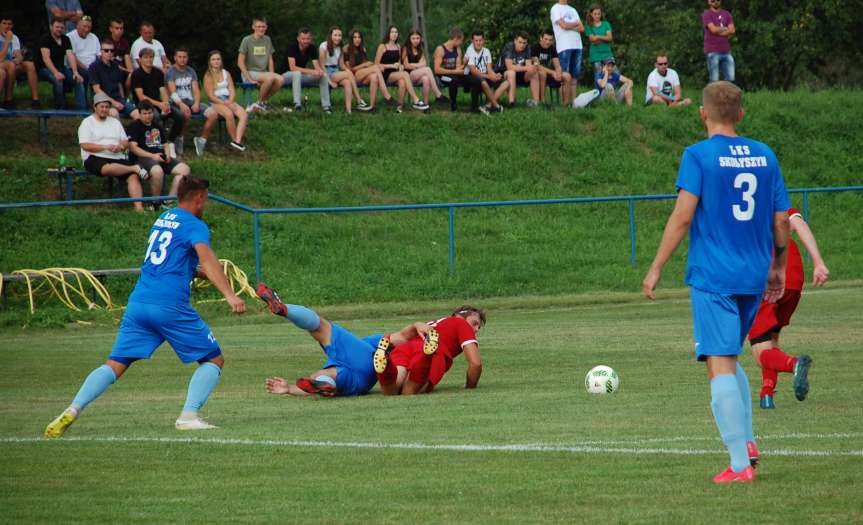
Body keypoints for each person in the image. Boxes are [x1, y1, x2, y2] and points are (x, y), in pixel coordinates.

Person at [642, 81, 792, 484]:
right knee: (729, 355)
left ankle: (740, 466)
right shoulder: (765, 155)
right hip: (753, 274)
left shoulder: (698, 155)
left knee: (720, 361)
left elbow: (683, 215)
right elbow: (781, 219)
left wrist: (656, 266)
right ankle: (746, 442)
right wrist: (779, 266)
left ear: (702, 113)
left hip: (714, 275)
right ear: (740, 114)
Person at [45, 176, 247, 438]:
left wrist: (195, 273)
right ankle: (188, 416)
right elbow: (207, 258)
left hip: (139, 302)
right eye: (205, 198)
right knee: (213, 359)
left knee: (115, 363)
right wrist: (230, 295)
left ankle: (73, 407)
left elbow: (166, 261)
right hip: (169, 305)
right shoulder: (195, 225)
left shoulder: (163, 219)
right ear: (199, 198)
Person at [256, 283, 433, 397]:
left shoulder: (367, 344)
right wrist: (289, 389)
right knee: (319, 377)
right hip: (357, 383)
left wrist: (417, 324)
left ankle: (283, 308)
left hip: (360, 378)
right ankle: (327, 385)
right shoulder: (369, 345)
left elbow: (403, 336)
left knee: (321, 327)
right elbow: (402, 337)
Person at [748, 208, 827, 409]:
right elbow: (800, 226)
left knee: (760, 350)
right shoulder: (779, 202)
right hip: (793, 275)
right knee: (771, 339)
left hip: (766, 275)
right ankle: (766, 395)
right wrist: (817, 262)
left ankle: (794, 364)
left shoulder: (744, 209)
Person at [373, 306, 485, 395]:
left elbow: (397, 339)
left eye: (478, 327)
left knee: (392, 389)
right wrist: (470, 386)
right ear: (458, 316)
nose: (476, 329)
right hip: (435, 352)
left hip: (406, 347)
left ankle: (387, 365)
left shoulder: (431, 324)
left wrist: (386, 340)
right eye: (474, 323)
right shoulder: (461, 323)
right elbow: (475, 363)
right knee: (409, 391)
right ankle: (426, 356)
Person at [77, 92, 148, 212]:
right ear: (95, 107)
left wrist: (120, 147)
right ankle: (134, 168)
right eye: (101, 107)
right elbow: (85, 145)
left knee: (133, 177)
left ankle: (139, 209)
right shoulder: (87, 123)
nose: (104, 109)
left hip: (116, 156)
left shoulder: (115, 122)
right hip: (94, 157)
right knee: (106, 168)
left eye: (106, 107)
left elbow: (126, 142)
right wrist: (105, 147)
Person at [127, 100, 191, 200]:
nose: (148, 116)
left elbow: (165, 144)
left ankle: (170, 200)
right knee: (157, 171)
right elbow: (133, 148)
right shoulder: (134, 126)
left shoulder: (157, 125)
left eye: (150, 113)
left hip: (161, 156)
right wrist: (152, 156)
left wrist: (168, 154)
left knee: (184, 170)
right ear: (139, 113)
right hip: (143, 158)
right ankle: (155, 202)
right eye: (145, 113)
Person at [167, 47, 217, 157]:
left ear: (187, 58)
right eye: (179, 57)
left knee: (213, 114)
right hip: (176, 102)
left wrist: (197, 103)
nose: (182, 59)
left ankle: (201, 140)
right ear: (175, 58)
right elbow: (172, 92)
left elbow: (196, 90)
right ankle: (179, 139)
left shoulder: (191, 71)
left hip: (190, 101)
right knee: (186, 113)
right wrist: (181, 104)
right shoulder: (171, 72)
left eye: (184, 57)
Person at [132, 48, 186, 147]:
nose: (149, 59)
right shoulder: (136, 74)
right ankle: (158, 144)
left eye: (151, 57)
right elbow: (141, 96)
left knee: (180, 116)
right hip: (144, 105)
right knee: (155, 117)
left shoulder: (158, 72)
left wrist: (166, 103)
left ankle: (171, 141)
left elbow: (162, 90)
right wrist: (159, 104)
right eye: (146, 57)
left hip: (159, 103)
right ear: (140, 59)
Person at [374, 25, 429, 113]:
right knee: (405, 74)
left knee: (402, 82)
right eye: (392, 32)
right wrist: (391, 66)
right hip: (384, 75)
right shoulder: (382, 46)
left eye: (396, 32)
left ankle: (399, 108)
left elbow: (399, 62)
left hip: (395, 74)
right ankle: (416, 100)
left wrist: (400, 65)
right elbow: (376, 64)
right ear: (388, 34)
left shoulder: (398, 46)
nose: (394, 34)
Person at [202, 50, 247, 152]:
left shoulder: (226, 73)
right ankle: (234, 140)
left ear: (221, 61)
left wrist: (230, 101)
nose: (216, 61)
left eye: (218, 59)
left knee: (243, 114)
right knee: (229, 114)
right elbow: (210, 96)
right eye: (213, 59)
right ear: (210, 62)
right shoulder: (208, 76)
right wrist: (225, 104)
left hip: (228, 99)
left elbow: (231, 88)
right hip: (216, 101)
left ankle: (237, 141)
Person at [319, 26, 371, 113]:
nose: (337, 37)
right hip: (327, 72)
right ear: (330, 36)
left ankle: (349, 111)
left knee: (347, 82)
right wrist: (329, 81)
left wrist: (347, 70)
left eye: (339, 35)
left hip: (336, 71)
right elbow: (322, 66)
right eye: (335, 35)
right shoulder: (323, 46)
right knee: (349, 74)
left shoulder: (340, 48)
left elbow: (341, 64)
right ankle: (359, 100)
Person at [237, 17, 284, 113]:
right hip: (249, 72)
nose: (261, 29)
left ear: (266, 27)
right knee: (270, 78)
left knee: (280, 79)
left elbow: (270, 59)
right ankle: (260, 103)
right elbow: (240, 62)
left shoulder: (267, 39)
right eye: (258, 26)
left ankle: (261, 102)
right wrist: (249, 78)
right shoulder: (247, 40)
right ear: (253, 27)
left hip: (263, 73)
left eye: (263, 26)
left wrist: (272, 74)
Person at [38, 18, 86, 109]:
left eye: (61, 27)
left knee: (78, 80)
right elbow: (46, 58)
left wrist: (75, 72)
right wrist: (55, 72)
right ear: (51, 27)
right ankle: (61, 108)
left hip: (61, 68)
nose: (59, 29)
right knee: (58, 80)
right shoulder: (45, 39)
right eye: (57, 27)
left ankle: (82, 109)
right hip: (45, 68)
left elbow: (70, 55)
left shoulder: (66, 39)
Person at [283, 28, 331, 113]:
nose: (306, 41)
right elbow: (293, 68)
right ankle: (297, 105)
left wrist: (320, 72)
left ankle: (326, 106)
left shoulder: (312, 48)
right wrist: (311, 71)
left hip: (300, 76)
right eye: (303, 39)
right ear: (298, 39)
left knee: (322, 76)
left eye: (308, 39)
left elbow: (316, 66)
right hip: (285, 76)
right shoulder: (292, 47)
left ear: (311, 39)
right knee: (296, 73)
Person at [345, 29, 393, 109]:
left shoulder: (362, 49)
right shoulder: (347, 49)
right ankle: (386, 95)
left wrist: (372, 65)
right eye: (355, 37)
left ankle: (371, 106)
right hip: (353, 76)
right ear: (351, 39)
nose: (357, 39)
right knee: (376, 69)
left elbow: (367, 66)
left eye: (359, 37)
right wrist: (365, 65)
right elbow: (349, 69)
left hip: (363, 75)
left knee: (374, 76)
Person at [89, 38, 137, 118]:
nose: (109, 53)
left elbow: (119, 84)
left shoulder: (116, 66)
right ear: (101, 51)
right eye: (106, 50)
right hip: (101, 101)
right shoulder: (94, 67)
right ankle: (119, 130)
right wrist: (114, 102)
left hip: (118, 99)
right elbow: (97, 90)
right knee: (114, 114)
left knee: (137, 114)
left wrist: (122, 99)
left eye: (112, 50)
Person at [0, 15, 40, 109]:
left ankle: (35, 101)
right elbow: (1, 58)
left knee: (29, 65)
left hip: (10, 65)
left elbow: (17, 53)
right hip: (2, 65)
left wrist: (19, 58)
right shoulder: (9, 38)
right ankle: (8, 100)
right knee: (10, 65)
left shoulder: (14, 37)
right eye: (4, 23)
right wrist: (7, 41)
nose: (7, 26)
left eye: (9, 24)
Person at [464, 31, 507, 115]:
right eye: (476, 40)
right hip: (471, 75)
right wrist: (489, 76)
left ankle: (488, 105)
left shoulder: (486, 51)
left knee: (506, 82)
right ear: (472, 41)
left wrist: (494, 75)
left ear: (484, 41)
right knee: (483, 82)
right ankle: (497, 106)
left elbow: (489, 68)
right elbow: (473, 71)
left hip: (484, 74)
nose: (478, 42)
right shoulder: (470, 50)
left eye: (480, 40)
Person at [550, 0, 584, 106]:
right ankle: (565, 104)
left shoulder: (573, 10)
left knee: (574, 77)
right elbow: (563, 26)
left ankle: (574, 103)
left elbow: (582, 28)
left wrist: (568, 25)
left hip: (577, 45)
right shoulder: (555, 8)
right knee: (565, 77)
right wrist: (575, 24)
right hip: (564, 46)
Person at [402, 29, 447, 107]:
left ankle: (426, 105)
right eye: (413, 38)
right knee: (428, 69)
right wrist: (418, 65)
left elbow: (424, 63)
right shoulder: (406, 48)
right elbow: (406, 65)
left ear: (420, 39)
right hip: (408, 76)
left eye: (417, 38)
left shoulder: (420, 49)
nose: (415, 40)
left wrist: (414, 65)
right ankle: (437, 94)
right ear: (409, 39)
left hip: (417, 75)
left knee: (426, 79)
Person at [499, 31, 540, 108]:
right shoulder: (509, 47)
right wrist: (527, 67)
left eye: (524, 43)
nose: (522, 45)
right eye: (520, 42)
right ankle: (512, 102)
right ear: (515, 41)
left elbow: (528, 66)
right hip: (505, 74)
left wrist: (534, 66)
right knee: (511, 72)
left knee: (534, 73)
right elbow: (509, 67)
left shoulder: (527, 48)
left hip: (520, 73)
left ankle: (536, 102)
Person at [531, 29, 569, 105]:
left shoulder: (552, 48)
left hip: (550, 74)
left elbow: (557, 65)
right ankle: (542, 101)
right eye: (546, 39)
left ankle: (566, 104)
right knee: (542, 73)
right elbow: (537, 66)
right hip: (537, 75)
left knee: (567, 76)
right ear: (541, 38)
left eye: (550, 40)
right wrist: (553, 72)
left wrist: (558, 73)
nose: (548, 42)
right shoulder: (534, 47)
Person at [433, 27, 467, 112]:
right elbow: (437, 70)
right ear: (456, 38)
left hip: (454, 74)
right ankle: (453, 104)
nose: (461, 43)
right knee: (453, 80)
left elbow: (458, 67)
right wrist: (454, 71)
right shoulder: (440, 49)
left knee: (469, 76)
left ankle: (475, 104)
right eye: (461, 40)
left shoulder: (458, 49)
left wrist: (465, 65)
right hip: (442, 76)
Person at [703, 0, 735, 82]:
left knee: (730, 78)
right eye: (713, 0)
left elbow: (732, 30)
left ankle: (725, 95)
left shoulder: (727, 14)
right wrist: (725, 28)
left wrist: (719, 31)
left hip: (726, 50)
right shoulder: (707, 14)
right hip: (712, 51)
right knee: (714, 80)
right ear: (709, 2)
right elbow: (713, 29)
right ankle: (712, 95)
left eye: (717, 0)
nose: (715, 2)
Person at [66, 15, 100, 88]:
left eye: (89, 27)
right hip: (77, 67)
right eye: (84, 26)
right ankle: (88, 98)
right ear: (77, 26)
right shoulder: (69, 37)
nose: (87, 29)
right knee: (87, 74)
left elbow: (99, 56)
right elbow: (73, 57)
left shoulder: (94, 37)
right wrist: (87, 68)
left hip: (93, 67)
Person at [583, 4, 614, 74]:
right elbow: (593, 40)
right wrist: (604, 38)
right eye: (595, 14)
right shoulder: (589, 26)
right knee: (599, 75)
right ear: (591, 14)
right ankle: (600, 85)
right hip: (595, 54)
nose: (597, 16)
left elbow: (610, 38)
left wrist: (598, 37)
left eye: (599, 14)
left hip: (607, 53)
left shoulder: (606, 24)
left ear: (601, 14)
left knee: (615, 73)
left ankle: (610, 85)